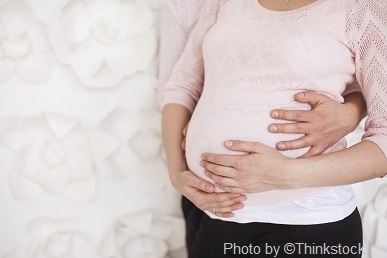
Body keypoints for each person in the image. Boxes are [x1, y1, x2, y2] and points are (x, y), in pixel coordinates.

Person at [158, 0, 376, 256]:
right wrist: (176, 173)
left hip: (307, 219)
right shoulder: (222, 3)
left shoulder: (362, 7)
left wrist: (285, 173)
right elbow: (181, 85)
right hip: (216, 214)